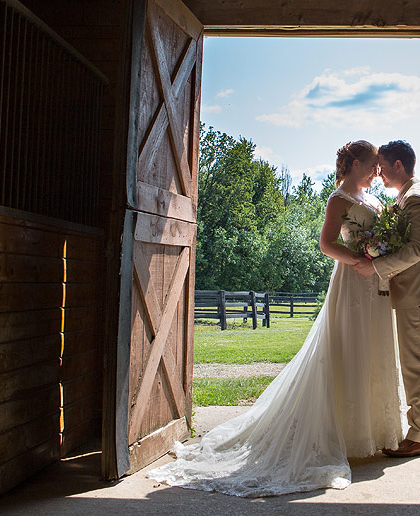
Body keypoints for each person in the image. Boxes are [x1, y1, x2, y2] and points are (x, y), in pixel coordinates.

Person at [146, 140, 402, 497]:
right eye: (374, 164)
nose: (378, 170)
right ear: (356, 162)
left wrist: (379, 255)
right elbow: (326, 244)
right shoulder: (339, 199)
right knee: (350, 347)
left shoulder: (374, 199)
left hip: (375, 284)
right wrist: (360, 258)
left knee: (373, 348)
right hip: (352, 281)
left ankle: (373, 431)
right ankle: (345, 432)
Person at [354, 140, 420, 457]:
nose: (378, 173)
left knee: (416, 365)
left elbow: (417, 249)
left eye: (382, 167)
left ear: (398, 165)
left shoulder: (417, 199)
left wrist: (376, 267)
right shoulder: (409, 197)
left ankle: (419, 436)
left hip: (419, 292)